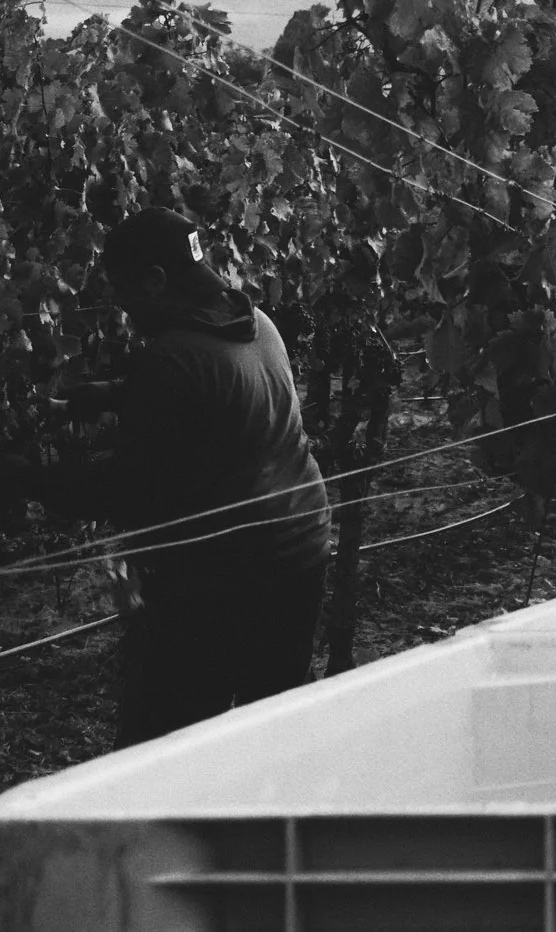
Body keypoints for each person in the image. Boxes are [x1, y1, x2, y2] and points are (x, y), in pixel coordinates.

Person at [31, 208, 333, 746]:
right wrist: (116, 395)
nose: (122, 310)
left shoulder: (170, 359)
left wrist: (25, 479)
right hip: (301, 546)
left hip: (230, 571)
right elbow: (216, 393)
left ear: (156, 281)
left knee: (167, 735)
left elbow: (128, 490)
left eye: (125, 293)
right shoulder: (255, 323)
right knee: (277, 719)